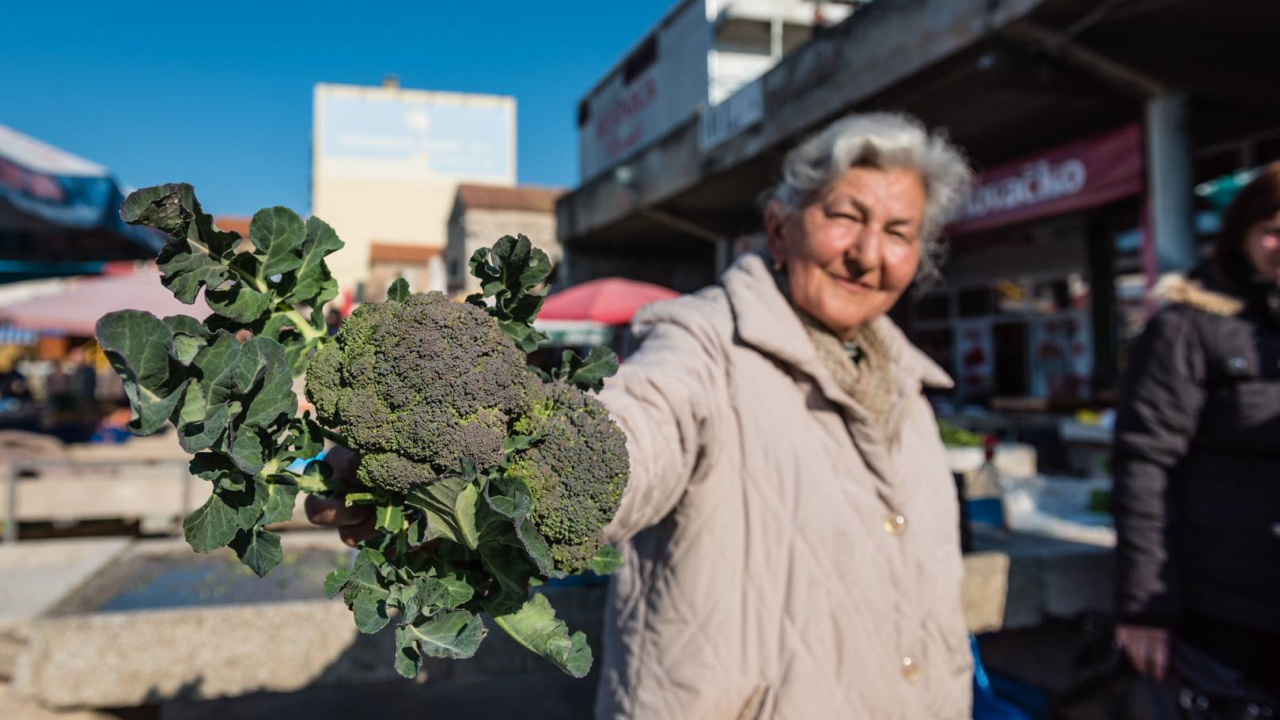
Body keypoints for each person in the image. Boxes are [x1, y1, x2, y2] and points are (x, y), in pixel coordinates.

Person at [306, 112, 976, 719]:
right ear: (779, 227)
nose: (868, 253)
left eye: (898, 232)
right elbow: (635, 437)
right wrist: (461, 469)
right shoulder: (704, 343)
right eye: (846, 216)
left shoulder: (912, 394)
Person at [1112, 162, 1280, 694]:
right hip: (1231, 610)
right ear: (1243, 236)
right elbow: (1144, 464)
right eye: (1274, 228)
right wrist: (1145, 607)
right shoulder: (1187, 325)